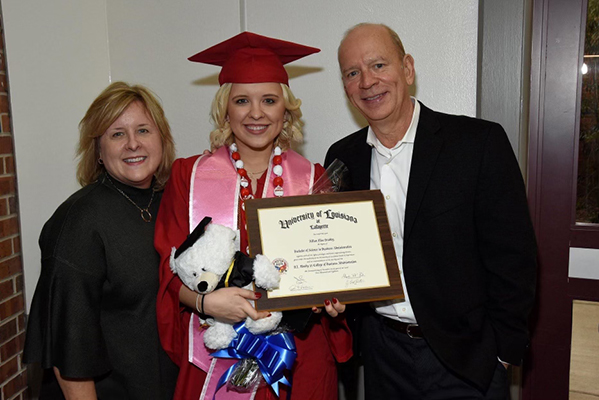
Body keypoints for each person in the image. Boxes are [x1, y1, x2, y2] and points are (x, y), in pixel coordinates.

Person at [325, 23, 537, 399]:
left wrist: (502, 353)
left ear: (407, 69)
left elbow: (514, 258)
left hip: (465, 360)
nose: (367, 82)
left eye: (378, 65)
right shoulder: (342, 158)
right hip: (381, 357)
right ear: (345, 86)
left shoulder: (478, 144)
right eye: (352, 73)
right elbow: (341, 253)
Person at [155, 32, 352, 400]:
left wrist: (335, 300)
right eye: (242, 100)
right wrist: (203, 302)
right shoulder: (189, 176)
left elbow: (329, 268)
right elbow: (166, 273)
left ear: (286, 109)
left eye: (270, 100)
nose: (256, 113)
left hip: (300, 359)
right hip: (215, 356)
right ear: (225, 109)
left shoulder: (314, 180)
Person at [23, 82, 179, 400]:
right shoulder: (78, 222)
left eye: (144, 130)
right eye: (117, 134)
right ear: (98, 149)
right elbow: (69, 350)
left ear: (161, 139)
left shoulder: (172, 203)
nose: (133, 144)